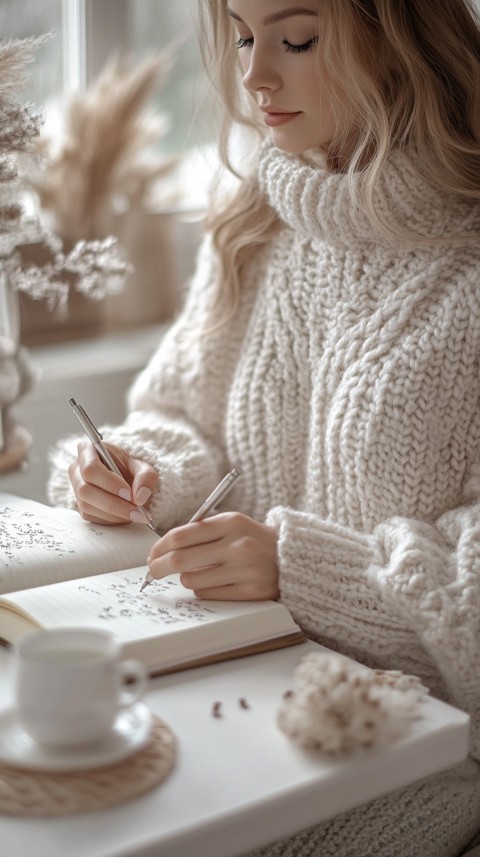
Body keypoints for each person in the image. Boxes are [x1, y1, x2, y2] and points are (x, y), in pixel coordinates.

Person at [48, 1, 480, 854]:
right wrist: (143, 468)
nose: (253, 74)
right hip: (235, 684)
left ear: (402, 38)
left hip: (415, 741)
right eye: (244, 36)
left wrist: (301, 570)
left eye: (298, 39)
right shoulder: (254, 225)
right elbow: (182, 414)